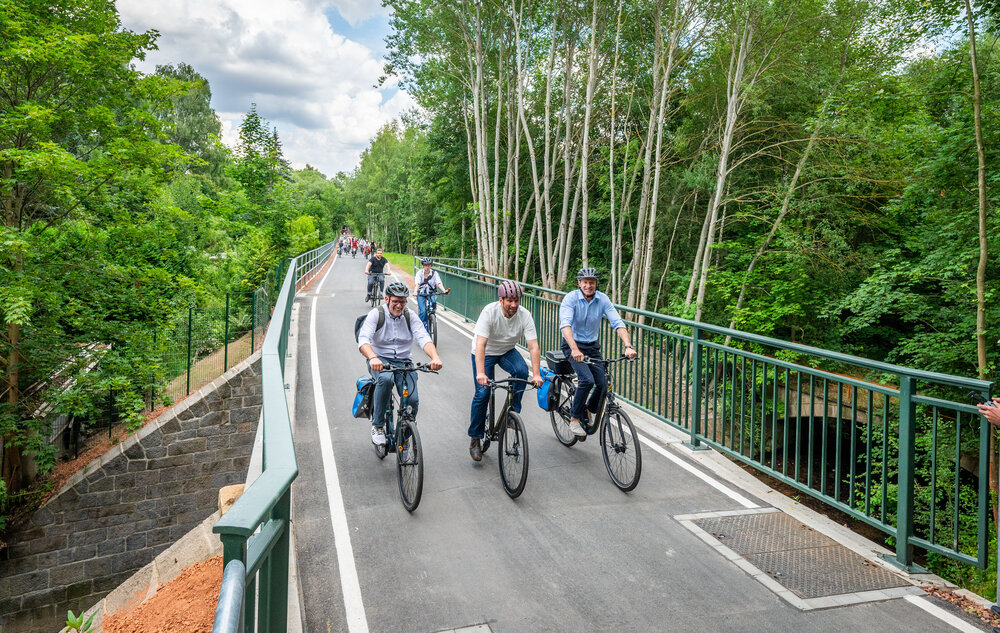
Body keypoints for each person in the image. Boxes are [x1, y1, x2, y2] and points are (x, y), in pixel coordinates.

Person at [358, 282, 443, 445]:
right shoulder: (376, 314)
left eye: (403, 302)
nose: (399, 305)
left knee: (412, 400)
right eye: (395, 301)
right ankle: (378, 426)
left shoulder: (410, 315)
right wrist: (373, 358)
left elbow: (424, 338)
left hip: (404, 361)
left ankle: (405, 429)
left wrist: (435, 358)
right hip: (380, 359)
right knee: (386, 379)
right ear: (387, 299)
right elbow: (363, 340)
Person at [467, 280, 543, 461]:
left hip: (507, 350)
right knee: (483, 393)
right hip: (485, 353)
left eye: (517, 300)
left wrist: (537, 374)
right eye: (509, 300)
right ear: (501, 300)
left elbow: (533, 347)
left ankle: (512, 414)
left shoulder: (525, 315)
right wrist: (480, 373)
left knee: (522, 372)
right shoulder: (489, 312)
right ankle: (475, 438)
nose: (514, 305)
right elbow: (480, 344)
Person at [558, 267, 637, 437]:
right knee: (586, 380)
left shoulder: (603, 300)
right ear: (579, 283)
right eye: (585, 282)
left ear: (596, 284)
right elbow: (565, 325)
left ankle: (587, 410)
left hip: (592, 347)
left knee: (603, 383)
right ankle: (575, 418)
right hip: (572, 345)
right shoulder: (570, 299)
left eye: (592, 282)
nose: (589, 285)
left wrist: (628, 345)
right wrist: (574, 349)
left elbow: (617, 322)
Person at [414, 257, 450, 331]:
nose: (427, 267)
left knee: (433, 302)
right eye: (426, 265)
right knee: (423, 311)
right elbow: (417, 284)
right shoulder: (419, 273)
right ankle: (419, 327)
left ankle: (432, 316)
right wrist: (415, 292)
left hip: (431, 292)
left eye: (429, 265)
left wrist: (444, 290)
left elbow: (439, 283)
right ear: (423, 265)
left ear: (431, 265)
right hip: (421, 292)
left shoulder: (434, 273)